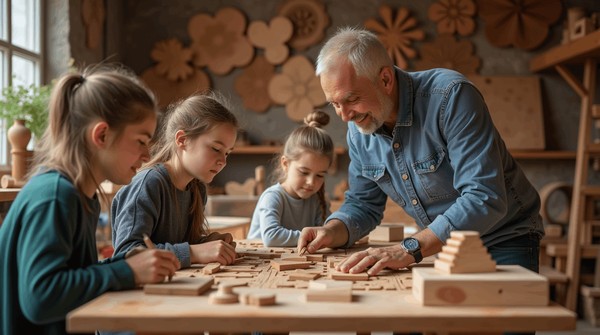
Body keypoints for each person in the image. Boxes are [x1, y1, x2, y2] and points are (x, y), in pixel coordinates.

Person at [298, 27, 544, 277]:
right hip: (440, 245)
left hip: (504, 237)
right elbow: (362, 204)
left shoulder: (450, 96)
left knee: (503, 314)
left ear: (385, 79)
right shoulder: (359, 127)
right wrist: (332, 230)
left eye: (351, 99)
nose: (344, 116)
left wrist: (410, 247)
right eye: (335, 104)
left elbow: (484, 196)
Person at [0, 65, 180, 335]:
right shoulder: (54, 196)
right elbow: (40, 298)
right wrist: (127, 272)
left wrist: (125, 265)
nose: (147, 155)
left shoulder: (81, 195)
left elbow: (74, 276)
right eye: (141, 141)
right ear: (102, 135)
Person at [111, 93, 238, 268]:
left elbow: (177, 244)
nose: (223, 161)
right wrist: (195, 252)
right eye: (216, 148)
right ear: (182, 140)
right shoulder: (148, 184)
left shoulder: (197, 188)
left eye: (227, 153)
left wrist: (206, 243)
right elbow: (127, 254)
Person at [247, 111, 334, 247]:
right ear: (285, 164)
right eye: (304, 172)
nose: (311, 182)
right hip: (261, 263)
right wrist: (313, 236)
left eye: (320, 175)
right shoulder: (273, 197)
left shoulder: (317, 200)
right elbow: (272, 237)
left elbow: (327, 231)